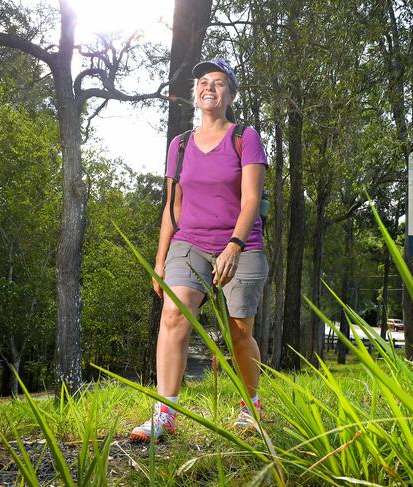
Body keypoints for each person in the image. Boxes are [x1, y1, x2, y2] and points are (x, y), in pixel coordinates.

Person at [129, 58, 269, 443]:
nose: (210, 87)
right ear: (196, 93)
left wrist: (235, 247)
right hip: (189, 242)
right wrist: (160, 260)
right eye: (204, 82)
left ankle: (250, 406)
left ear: (231, 95)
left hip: (241, 243)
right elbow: (173, 207)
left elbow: (251, 200)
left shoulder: (246, 137)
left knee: (239, 332)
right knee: (174, 315)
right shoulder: (180, 144)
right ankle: (165, 414)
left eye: (219, 83)